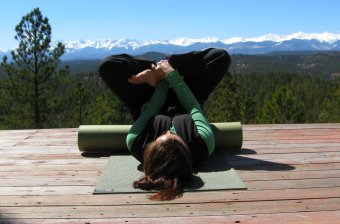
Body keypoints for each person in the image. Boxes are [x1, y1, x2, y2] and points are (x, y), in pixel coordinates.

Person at [99, 48, 231, 200]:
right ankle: (167, 65)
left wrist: (159, 80)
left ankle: (158, 67)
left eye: (161, 136)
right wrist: (171, 75)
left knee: (108, 66)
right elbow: (193, 107)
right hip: (187, 98)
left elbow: (153, 108)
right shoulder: (202, 144)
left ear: (150, 148)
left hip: (149, 101)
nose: (168, 132)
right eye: (175, 137)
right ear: (186, 150)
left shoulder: (136, 142)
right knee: (220, 57)